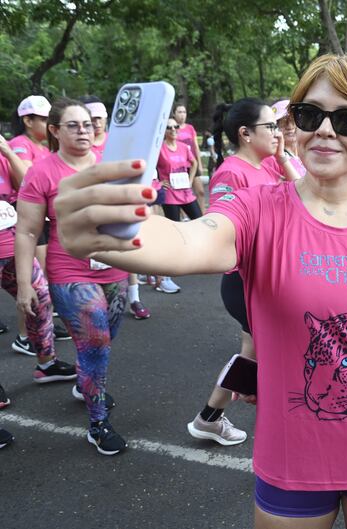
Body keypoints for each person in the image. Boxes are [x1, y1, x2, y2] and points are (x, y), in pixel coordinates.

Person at [54, 54, 347, 528]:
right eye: (309, 115)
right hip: (293, 454)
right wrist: (114, 234)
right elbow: (189, 240)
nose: (325, 130)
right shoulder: (257, 208)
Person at [15, 97, 129, 456]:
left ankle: (85, 383)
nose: (84, 130)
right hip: (70, 272)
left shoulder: (110, 163)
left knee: (103, 340)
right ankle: (97, 423)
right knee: (95, 343)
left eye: (88, 124)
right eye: (73, 125)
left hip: (115, 269)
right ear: (54, 130)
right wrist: (24, 283)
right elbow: (28, 232)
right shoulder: (43, 172)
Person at [187, 97, 285, 446]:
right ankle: (277, 429)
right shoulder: (232, 171)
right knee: (269, 352)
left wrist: (284, 157)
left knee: (252, 353)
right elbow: (223, 232)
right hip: (246, 281)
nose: (278, 133)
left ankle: (210, 417)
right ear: (245, 133)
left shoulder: (270, 165)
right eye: (270, 126)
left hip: (269, 277)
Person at [0, 133, 77, 383]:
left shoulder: (4, 156)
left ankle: (46, 363)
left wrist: (8, 152)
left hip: (9, 243)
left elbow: (25, 183)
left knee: (38, 297)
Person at [80, 94, 149, 319]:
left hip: (119, 204)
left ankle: (135, 298)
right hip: (91, 207)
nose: (97, 122)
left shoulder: (116, 141)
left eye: (100, 118)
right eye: (92, 118)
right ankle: (91, 297)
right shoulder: (81, 145)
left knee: (126, 250)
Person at [154, 116, 200, 294]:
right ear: (164, 131)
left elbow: (194, 162)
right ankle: (165, 276)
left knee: (199, 221)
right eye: (169, 127)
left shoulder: (184, 147)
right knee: (171, 231)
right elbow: (151, 167)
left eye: (175, 127)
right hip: (171, 195)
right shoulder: (160, 149)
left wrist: (189, 179)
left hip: (186, 192)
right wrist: (159, 182)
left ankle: (194, 257)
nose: (173, 130)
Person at [173, 104, 206, 212]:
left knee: (200, 191)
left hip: (192, 164)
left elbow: (196, 147)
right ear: (174, 114)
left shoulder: (190, 128)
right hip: (179, 166)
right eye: (179, 112)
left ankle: (203, 214)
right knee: (181, 193)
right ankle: (184, 217)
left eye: (184, 112)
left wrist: (200, 164)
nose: (182, 115)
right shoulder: (172, 129)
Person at [272, 99, 307, 178]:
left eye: (293, 120)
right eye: (283, 122)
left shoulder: (307, 151)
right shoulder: (273, 159)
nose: (290, 126)